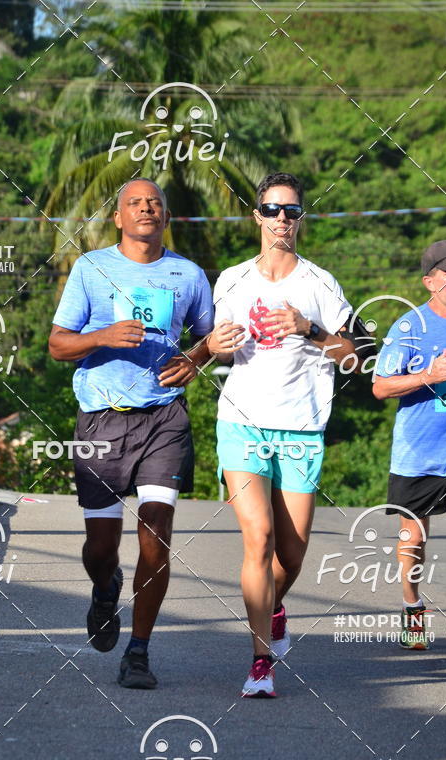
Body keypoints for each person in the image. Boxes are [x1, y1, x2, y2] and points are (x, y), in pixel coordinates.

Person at [206, 172, 368, 697]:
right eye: (272, 210)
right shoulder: (232, 279)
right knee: (259, 538)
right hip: (242, 423)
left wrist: (310, 329)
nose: (281, 219)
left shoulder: (319, 284)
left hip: (300, 427)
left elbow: (353, 358)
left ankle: (274, 607)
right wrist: (219, 345)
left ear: (301, 219)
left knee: (291, 556)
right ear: (256, 215)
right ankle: (260, 663)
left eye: (291, 212)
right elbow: (219, 346)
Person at [49, 178, 213, 689]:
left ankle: (138, 652)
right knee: (101, 547)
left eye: (155, 203)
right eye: (135, 203)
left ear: (166, 217)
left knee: (157, 537)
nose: (146, 209)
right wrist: (101, 337)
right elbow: (57, 344)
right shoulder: (92, 267)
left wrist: (196, 357)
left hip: (163, 418)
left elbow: (211, 337)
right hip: (101, 417)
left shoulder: (187, 274)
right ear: (118, 217)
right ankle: (104, 588)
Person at [373, 239, 446, 653]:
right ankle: (412, 610)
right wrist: (428, 375)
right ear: (429, 281)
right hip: (417, 454)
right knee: (413, 541)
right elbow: (380, 386)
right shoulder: (408, 328)